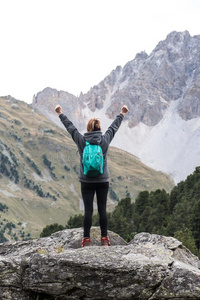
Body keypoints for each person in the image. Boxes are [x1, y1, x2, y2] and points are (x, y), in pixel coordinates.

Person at [55, 104, 128, 247]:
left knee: (88, 210)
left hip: (86, 181)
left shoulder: (82, 141)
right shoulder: (105, 140)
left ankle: (86, 240)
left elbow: (70, 128)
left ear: (88, 129)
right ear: (99, 128)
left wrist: (60, 114)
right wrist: (122, 114)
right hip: (103, 180)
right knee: (102, 210)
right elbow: (114, 127)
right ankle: (105, 239)